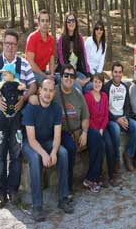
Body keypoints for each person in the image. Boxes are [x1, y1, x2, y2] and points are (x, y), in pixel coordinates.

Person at [0, 29, 36, 209]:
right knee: (0, 155)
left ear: (17, 46)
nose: (10, 47)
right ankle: (1, 193)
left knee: (15, 153)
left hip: (16, 118)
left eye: (13, 44)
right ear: (3, 44)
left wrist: (24, 98)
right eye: (7, 43)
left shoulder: (23, 64)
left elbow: (33, 85)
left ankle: (13, 191)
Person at [22, 79, 73, 222]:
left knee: (63, 153)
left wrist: (54, 151)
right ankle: (37, 206)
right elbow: (31, 139)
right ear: (39, 90)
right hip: (30, 143)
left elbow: (57, 135)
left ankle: (63, 198)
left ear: (54, 93)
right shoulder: (31, 108)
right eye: (45, 89)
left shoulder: (56, 108)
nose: (47, 93)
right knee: (35, 158)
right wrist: (44, 154)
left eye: (51, 91)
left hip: (48, 141)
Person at [54, 64, 90, 196]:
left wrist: (85, 132)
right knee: (69, 148)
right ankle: (67, 187)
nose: (69, 78)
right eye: (66, 75)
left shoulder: (78, 94)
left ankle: (93, 178)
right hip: (60, 131)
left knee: (97, 138)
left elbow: (86, 117)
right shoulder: (54, 92)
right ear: (61, 77)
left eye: (72, 76)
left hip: (77, 131)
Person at [84, 73, 119, 191]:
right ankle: (95, 177)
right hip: (91, 129)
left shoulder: (104, 96)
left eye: (99, 82)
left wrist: (101, 129)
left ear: (102, 83)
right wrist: (95, 130)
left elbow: (105, 115)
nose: (97, 84)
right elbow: (87, 116)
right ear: (92, 83)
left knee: (110, 145)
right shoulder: (87, 96)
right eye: (95, 81)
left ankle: (111, 174)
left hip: (102, 128)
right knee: (101, 145)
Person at [103, 62, 136, 172]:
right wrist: (116, 119)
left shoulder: (124, 87)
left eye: (119, 72)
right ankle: (116, 160)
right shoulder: (106, 87)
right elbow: (105, 109)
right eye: (115, 72)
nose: (117, 74)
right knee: (115, 129)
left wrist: (125, 118)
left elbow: (127, 106)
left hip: (122, 117)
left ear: (122, 73)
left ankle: (128, 154)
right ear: (112, 73)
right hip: (111, 119)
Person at [57, 11, 92, 92]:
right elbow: (63, 63)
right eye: (69, 21)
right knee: (78, 88)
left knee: (90, 86)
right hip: (64, 73)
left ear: (76, 22)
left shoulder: (79, 38)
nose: (71, 23)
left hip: (77, 71)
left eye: (73, 20)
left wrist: (88, 74)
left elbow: (84, 57)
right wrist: (75, 78)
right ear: (65, 23)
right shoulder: (61, 39)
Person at [0, 64, 26, 151]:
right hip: (5, 108)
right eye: (2, 75)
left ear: (11, 74)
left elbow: (24, 86)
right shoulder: (2, 83)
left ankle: (18, 132)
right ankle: (0, 133)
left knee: (18, 119)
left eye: (5, 74)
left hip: (15, 107)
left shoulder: (17, 81)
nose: (3, 76)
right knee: (1, 120)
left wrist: (21, 87)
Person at [25, 9, 56, 82]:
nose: (45, 23)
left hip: (44, 72)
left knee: (60, 79)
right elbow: (30, 62)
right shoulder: (32, 38)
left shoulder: (51, 40)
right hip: (30, 72)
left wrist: (52, 75)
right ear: (38, 23)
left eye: (47, 21)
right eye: (42, 21)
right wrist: (45, 76)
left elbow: (51, 61)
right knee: (47, 83)